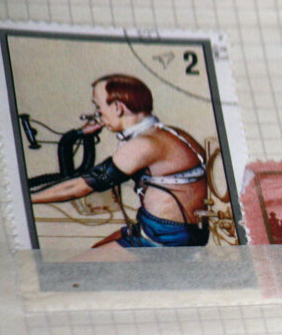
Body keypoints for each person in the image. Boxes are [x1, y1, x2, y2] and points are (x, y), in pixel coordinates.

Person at [31, 74, 209, 247]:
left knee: (79, 265)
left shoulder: (143, 144)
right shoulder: (169, 133)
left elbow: (81, 186)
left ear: (117, 108)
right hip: (168, 229)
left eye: (98, 107)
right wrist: (83, 135)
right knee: (94, 251)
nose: (98, 114)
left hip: (166, 237)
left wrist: (29, 199)